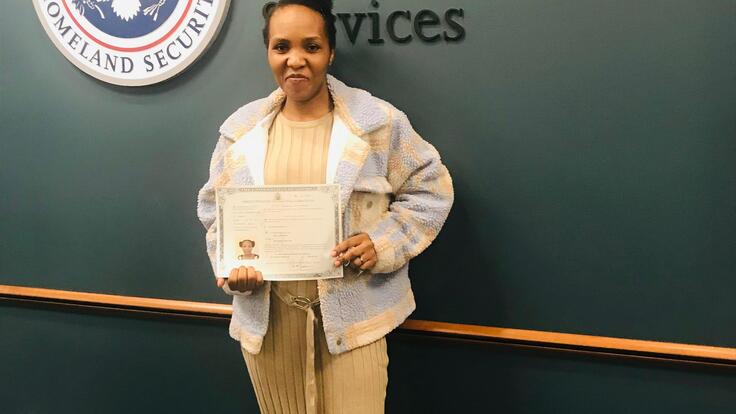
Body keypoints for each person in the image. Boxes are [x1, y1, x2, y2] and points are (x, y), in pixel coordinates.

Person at [196, 0, 453, 412]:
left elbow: (430, 190)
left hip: (353, 328)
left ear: (330, 52)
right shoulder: (240, 133)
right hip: (270, 331)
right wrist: (230, 267)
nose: (295, 60)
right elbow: (215, 212)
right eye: (281, 47)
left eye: (311, 47)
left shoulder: (376, 124)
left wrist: (381, 243)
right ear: (268, 53)